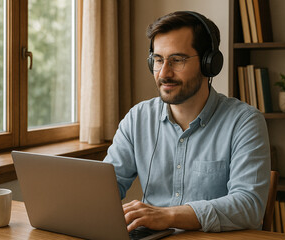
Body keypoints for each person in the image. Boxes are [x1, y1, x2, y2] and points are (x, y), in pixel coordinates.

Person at [103, 11, 270, 233]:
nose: (164, 73)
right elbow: (104, 188)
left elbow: (248, 206)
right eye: (158, 60)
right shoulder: (137, 118)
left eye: (177, 60)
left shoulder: (245, 122)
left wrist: (168, 216)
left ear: (209, 63)